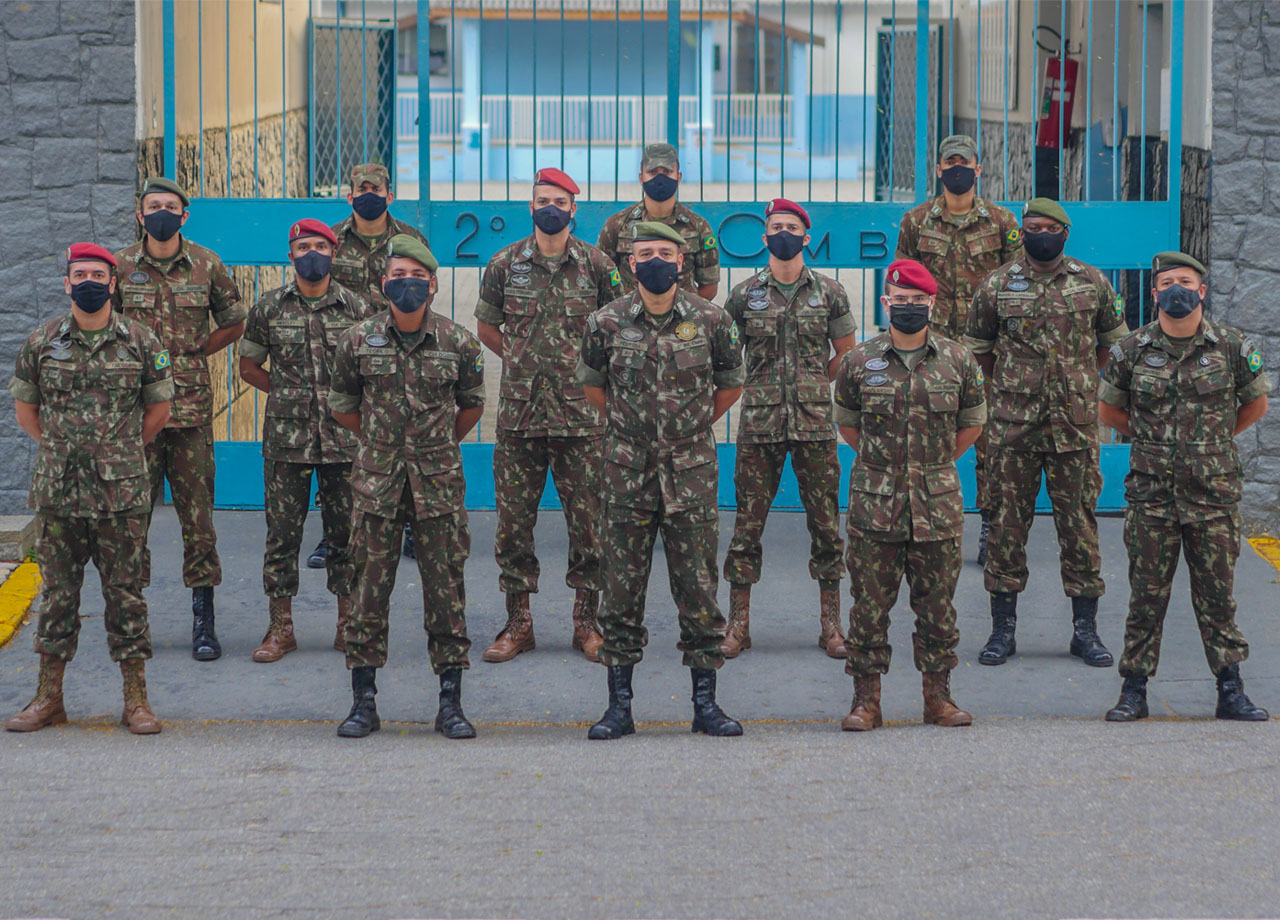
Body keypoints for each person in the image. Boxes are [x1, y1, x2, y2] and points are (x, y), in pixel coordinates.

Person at [576, 221, 745, 740]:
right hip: (626, 474)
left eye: (665, 253)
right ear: (630, 263)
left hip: (690, 475)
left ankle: (705, 705)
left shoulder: (712, 319)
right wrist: (632, 429)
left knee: (699, 591)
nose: (655, 261)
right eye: (645, 252)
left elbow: (730, 384)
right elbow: (594, 386)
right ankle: (618, 708)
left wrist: (688, 428)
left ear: (681, 261)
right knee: (619, 592)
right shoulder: (605, 322)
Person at [5, 243, 173, 734]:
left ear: (113, 284)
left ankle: (136, 700)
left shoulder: (140, 340)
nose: (89, 283)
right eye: (80, 275)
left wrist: (119, 450)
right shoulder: (41, 341)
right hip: (59, 492)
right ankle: (48, 697)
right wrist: (62, 449)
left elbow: (158, 411)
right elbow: (26, 412)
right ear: (66, 283)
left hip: (121, 494)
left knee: (126, 595)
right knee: (58, 596)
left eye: (98, 275)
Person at [1099, 252, 1270, 722]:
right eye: (1168, 282)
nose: (1178, 289)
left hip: (1213, 496)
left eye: (1187, 282)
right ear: (1155, 293)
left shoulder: (1231, 346)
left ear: (1202, 291)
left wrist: (1212, 442)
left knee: (1217, 597)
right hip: (1152, 495)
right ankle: (1134, 690)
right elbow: (1109, 410)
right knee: (1146, 596)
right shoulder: (1131, 350)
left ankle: (1230, 690)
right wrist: (1154, 441)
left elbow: (1255, 405)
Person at [329, 235, 483, 739]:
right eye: (399, 276)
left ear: (433, 285)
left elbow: (471, 406)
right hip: (377, 483)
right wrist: (382, 443)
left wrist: (434, 445)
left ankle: (450, 705)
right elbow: (343, 406)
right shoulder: (357, 339)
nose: (408, 284)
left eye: (418, 277)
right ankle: (363, 703)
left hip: (438, 484)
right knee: (367, 593)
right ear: (383, 283)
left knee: (447, 594)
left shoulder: (459, 342)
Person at [965, 198, 1128, 668]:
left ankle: (1085, 632)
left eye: (1049, 228)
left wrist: (1079, 377)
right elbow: (979, 352)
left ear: (1064, 233)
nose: (1039, 234)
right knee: (1005, 529)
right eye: (1031, 227)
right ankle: (1002, 631)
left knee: (1079, 528)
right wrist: (1016, 384)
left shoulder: (1092, 281)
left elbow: (1112, 345)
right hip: (1013, 427)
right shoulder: (997, 284)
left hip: (1074, 428)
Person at [474, 167, 624, 663]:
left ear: (573, 209)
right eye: (543, 201)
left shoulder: (598, 266)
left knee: (590, 526)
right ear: (531, 206)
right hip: (520, 418)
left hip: (582, 419)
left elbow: (618, 328)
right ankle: (519, 623)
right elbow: (488, 328)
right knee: (513, 526)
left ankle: (588, 623)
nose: (551, 209)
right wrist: (521, 360)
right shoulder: (504, 264)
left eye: (560, 201)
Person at [832, 260, 984, 731]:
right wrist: (887, 463)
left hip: (936, 505)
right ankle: (866, 702)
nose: (910, 307)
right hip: (875, 504)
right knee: (868, 608)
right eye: (901, 300)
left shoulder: (958, 360)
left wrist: (930, 464)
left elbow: (972, 423)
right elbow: (848, 424)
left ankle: (938, 699)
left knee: (938, 608)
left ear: (932, 304)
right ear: (886, 303)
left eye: (918, 300)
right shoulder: (860, 361)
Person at [112, 177, 244, 661]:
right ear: (141, 215)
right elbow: (104, 323)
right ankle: (132, 622)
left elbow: (234, 320)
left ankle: (204, 621)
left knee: (199, 522)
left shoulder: (207, 264)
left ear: (184, 216)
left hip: (189, 414)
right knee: (131, 521)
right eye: (154, 206)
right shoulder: (120, 266)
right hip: (136, 415)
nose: (162, 213)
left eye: (171, 206)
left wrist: (194, 351)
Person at [720, 198, 857, 659]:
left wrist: (814, 382)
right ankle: (738, 624)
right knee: (746, 527)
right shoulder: (743, 295)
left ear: (806, 237)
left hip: (815, 424)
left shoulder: (830, 292)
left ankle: (832, 625)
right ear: (764, 237)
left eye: (792, 227)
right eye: (776, 226)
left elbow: (845, 352)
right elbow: (727, 357)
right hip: (759, 425)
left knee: (826, 527)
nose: (784, 233)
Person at [238, 219, 374, 663]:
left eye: (320, 246)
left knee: (347, 536)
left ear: (334, 253)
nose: (311, 254)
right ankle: (281, 628)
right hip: (286, 439)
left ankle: (347, 623)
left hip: (343, 440)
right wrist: (286, 393)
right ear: (290, 255)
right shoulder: (269, 307)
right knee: (282, 537)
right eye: (302, 247)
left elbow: (370, 368)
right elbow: (249, 366)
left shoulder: (357, 308)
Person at [895, 135, 1022, 565]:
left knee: (988, 441)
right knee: (926, 436)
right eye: (949, 163)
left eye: (964, 163)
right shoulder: (916, 222)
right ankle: (921, 523)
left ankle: (991, 524)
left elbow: (1015, 284)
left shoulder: (1002, 221)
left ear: (978, 169)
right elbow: (903, 281)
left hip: (985, 351)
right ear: (938, 170)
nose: (957, 169)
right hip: (931, 351)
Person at [313, 162, 430, 568]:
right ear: (349, 196)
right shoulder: (332, 240)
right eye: (361, 189)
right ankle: (336, 532)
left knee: (404, 436)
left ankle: (410, 524)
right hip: (345, 352)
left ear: (389, 195)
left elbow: (424, 292)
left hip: (399, 354)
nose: (368, 195)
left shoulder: (409, 239)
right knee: (341, 443)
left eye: (375, 189)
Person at [597, 143, 720, 299]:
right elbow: (601, 277)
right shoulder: (617, 225)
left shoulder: (697, 226)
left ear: (679, 177)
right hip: (629, 313)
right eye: (652, 172)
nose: (660, 179)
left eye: (667, 172)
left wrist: (687, 309)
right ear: (641, 178)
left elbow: (709, 286)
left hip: (682, 312)